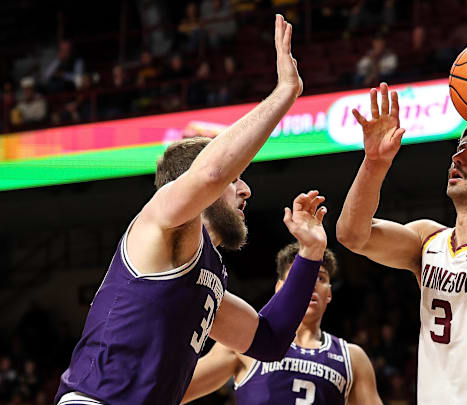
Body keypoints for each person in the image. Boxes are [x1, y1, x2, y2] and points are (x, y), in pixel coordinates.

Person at [55, 15, 324, 405]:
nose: (245, 190)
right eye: (237, 180)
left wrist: (310, 253)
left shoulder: (205, 275)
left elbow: (268, 339)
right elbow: (212, 172)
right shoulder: (162, 218)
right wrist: (285, 93)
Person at [336, 82, 467, 404]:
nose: (458, 158)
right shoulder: (428, 239)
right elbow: (352, 235)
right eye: (458, 151)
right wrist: (374, 164)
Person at [181, 243, 382, 405]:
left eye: (320, 277)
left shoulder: (352, 358)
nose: (310, 283)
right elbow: (173, 392)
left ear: (329, 292)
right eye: (300, 277)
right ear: (280, 288)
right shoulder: (242, 344)